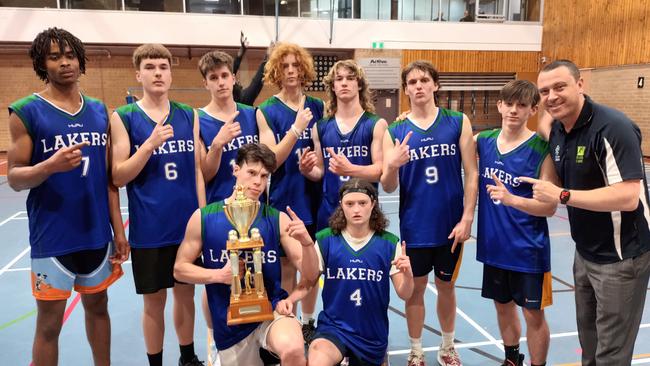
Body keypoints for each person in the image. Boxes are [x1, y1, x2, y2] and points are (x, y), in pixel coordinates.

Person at [7, 27, 127, 366]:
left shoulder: (99, 110)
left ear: (80, 60)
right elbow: (14, 177)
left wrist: (118, 232)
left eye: (70, 55)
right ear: (42, 64)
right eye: (55, 56)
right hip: (53, 237)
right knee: (48, 325)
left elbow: (108, 181)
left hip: (95, 235)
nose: (65, 63)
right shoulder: (26, 111)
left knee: (99, 308)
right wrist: (48, 166)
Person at [529, 59, 650, 366]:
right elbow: (544, 123)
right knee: (590, 344)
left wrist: (561, 195)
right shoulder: (558, 128)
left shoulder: (613, 128)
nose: (552, 96)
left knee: (611, 353)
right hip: (584, 254)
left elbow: (627, 197)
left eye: (560, 87)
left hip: (621, 257)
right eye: (545, 91)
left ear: (581, 85)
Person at [174, 143, 320, 366]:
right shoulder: (204, 217)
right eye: (251, 172)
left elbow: (310, 274)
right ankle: (215, 342)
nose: (258, 182)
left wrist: (308, 244)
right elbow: (180, 269)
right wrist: (217, 276)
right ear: (235, 170)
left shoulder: (277, 218)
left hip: (271, 309)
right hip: (230, 320)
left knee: (293, 348)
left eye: (264, 176)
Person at [109, 44, 206, 366]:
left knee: (185, 294)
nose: (158, 73)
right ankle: (155, 362)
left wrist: (204, 219)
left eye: (163, 66)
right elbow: (119, 175)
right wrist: (148, 145)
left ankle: (187, 356)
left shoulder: (187, 114)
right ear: (138, 74)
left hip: (187, 226)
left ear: (171, 72)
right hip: (149, 228)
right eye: (150, 67)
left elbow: (195, 170)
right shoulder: (124, 117)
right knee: (153, 301)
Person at [380, 60, 478, 366]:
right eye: (412, 82)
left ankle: (448, 347)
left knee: (447, 287)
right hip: (416, 226)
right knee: (416, 291)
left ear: (435, 84)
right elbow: (387, 184)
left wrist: (467, 217)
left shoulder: (457, 121)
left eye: (424, 80)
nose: (418, 86)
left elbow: (471, 173)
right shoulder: (395, 130)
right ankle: (416, 350)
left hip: (451, 226)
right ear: (406, 89)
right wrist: (393, 164)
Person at [276, 178, 414, 366]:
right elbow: (309, 280)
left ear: (373, 204)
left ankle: (381, 356)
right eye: (350, 204)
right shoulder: (326, 240)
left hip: (371, 334)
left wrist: (407, 274)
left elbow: (405, 293)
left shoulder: (389, 243)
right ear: (341, 205)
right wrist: (290, 300)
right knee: (317, 356)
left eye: (362, 203)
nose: (356, 209)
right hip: (334, 328)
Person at [475, 80, 557, 366]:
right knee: (502, 306)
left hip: (527, 250)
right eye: (508, 104)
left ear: (533, 109)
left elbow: (549, 206)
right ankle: (512, 358)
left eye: (521, 105)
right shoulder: (484, 140)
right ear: (499, 105)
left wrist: (513, 200)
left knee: (533, 314)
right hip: (493, 246)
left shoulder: (541, 148)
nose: (513, 110)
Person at [256, 42, 324, 340]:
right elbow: (270, 159)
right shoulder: (266, 110)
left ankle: (307, 323)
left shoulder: (318, 106)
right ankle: (289, 323)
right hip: (284, 200)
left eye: (297, 65)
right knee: (287, 268)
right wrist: (296, 129)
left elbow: (324, 149)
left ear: (305, 69)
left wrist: (314, 163)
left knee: (313, 267)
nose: (292, 71)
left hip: (315, 196)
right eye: (285, 66)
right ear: (276, 71)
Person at [301, 59, 387, 231]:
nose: (344, 83)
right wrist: (307, 170)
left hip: (364, 212)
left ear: (359, 84)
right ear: (333, 86)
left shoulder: (376, 124)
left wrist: (350, 169)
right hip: (329, 211)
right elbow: (320, 172)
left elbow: (380, 171)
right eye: (339, 79)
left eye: (350, 78)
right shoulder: (320, 127)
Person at [197, 50, 259, 204]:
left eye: (224, 75)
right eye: (213, 78)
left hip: (254, 204)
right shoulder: (197, 120)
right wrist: (217, 144)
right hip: (220, 208)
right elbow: (204, 175)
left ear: (233, 78)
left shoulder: (253, 114)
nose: (221, 82)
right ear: (205, 83)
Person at [232, 31, 274, 106]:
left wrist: (242, 52)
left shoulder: (238, 98)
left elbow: (231, 72)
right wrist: (267, 57)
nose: (237, 80)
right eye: (235, 80)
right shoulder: (244, 100)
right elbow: (257, 81)